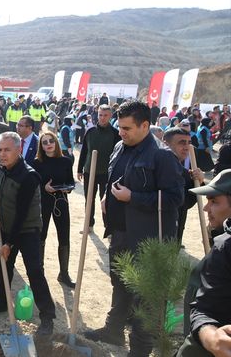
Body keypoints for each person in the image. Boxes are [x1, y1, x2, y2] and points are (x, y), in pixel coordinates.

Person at [84, 101, 185, 356]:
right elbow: (117, 176)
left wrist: (134, 197)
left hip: (148, 239)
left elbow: (175, 198)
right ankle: (113, 330)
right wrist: (108, 195)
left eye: (127, 128)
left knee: (146, 298)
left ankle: (139, 349)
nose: (122, 132)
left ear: (145, 125)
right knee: (120, 282)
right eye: (120, 127)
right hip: (120, 232)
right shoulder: (120, 146)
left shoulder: (162, 156)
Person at [0, 132, 56, 335]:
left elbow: (22, 214)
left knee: (34, 271)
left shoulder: (29, 176)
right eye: (0, 150)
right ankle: (1, 300)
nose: (2, 154)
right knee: (3, 267)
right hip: (8, 227)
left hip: (27, 229)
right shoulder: (2, 167)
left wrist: (8, 243)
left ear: (19, 150)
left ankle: (47, 316)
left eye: (7, 150)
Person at [176, 170, 231, 357]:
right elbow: (204, 307)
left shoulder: (225, 247)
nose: (206, 209)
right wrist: (212, 339)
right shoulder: (221, 242)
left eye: (214, 202)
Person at [32, 132, 76, 288]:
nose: (48, 144)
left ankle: (63, 273)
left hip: (61, 202)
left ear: (56, 142)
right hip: (43, 202)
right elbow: (32, 185)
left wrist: (68, 188)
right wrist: (44, 187)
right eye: (45, 142)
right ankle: (39, 272)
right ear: (41, 146)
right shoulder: (36, 163)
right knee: (41, 236)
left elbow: (70, 181)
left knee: (64, 236)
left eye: (51, 141)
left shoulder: (65, 161)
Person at [77, 105, 120, 233]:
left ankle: (108, 228)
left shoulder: (115, 134)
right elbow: (84, 151)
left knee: (106, 200)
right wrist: (80, 169)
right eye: (100, 115)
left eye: (105, 115)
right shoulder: (90, 132)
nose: (102, 118)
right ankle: (88, 225)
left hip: (107, 173)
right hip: (89, 171)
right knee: (89, 199)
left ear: (110, 116)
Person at [163, 128, 205, 245]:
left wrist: (198, 182)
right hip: (156, 230)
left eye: (189, 143)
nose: (187, 147)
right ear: (166, 144)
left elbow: (186, 203)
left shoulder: (185, 172)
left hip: (177, 228)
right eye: (181, 142)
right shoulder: (155, 167)